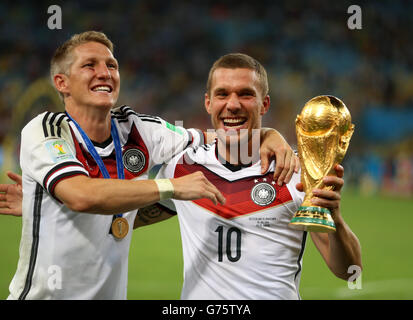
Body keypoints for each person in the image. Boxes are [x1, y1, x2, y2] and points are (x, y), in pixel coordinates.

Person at [0, 32, 298, 299]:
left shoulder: (140, 130)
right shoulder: (46, 130)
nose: (104, 73)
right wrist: (170, 187)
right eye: (90, 65)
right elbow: (80, 195)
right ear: (61, 83)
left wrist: (268, 135)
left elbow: (223, 133)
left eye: (111, 65)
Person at [141, 53, 363, 299]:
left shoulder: (297, 173)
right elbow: (122, 222)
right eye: (222, 94)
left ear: (264, 104)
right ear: (208, 103)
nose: (233, 104)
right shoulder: (181, 167)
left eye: (245, 94)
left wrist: (336, 218)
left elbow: (349, 272)